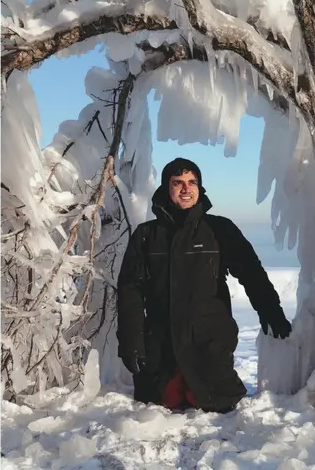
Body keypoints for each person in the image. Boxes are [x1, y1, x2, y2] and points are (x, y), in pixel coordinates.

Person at [117, 158, 291, 413]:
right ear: (167, 188)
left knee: (214, 399)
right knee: (160, 401)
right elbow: (129, 292)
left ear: (200, 188)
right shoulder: (146, 235)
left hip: (208, 340)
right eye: (178, 183)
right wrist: (131, 341)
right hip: (162, 342)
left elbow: (251, 273)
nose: (186, 189)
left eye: (192, 182)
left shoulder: (219, 229)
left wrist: (270, 310)